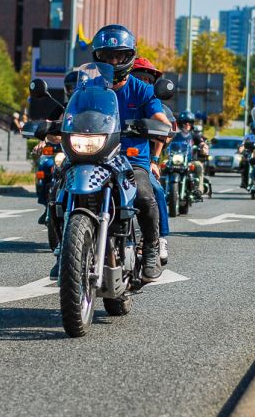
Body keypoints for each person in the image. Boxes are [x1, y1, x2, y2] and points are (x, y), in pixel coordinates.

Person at [87, 25, 172, 281]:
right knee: (61, 188)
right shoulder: (90, 87)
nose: (113, 61)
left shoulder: (142, 90)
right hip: (96, 157)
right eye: (107, 56)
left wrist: (160, 127)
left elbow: (161, 120)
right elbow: (69, 114)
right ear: (98, 57)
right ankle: (62, 251)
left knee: (146, 196)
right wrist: (52, 127)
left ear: (129, 57)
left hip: (131, 160)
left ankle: (150, 249)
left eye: (119, 56)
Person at [130, 56, 173, 264]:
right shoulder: (109, 94)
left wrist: (155, 161)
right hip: (103, 155)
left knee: (154, 190)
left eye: (148, 79)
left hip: (139, 160)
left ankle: (159, 239)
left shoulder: (153, 102)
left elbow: (162, 134)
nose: (143, 82)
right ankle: (63, 248)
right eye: (138, 77)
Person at [174, 110, 209, 197]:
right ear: (180, 124)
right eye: (185, 123)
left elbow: (202, 143)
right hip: (175, 160)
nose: (187, 125)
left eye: (189, 123)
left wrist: (204, 148)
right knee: (163, 165)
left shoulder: (194, 136)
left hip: (190, 160)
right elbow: (167, 142)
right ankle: (161, 188)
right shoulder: (175, 135)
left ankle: (198, 189)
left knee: (199, 166)